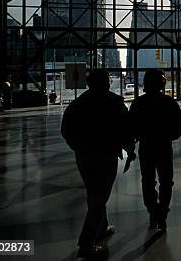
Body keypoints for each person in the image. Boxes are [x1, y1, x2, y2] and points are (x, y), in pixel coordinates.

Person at [61, 70, 135, 259]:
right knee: (99, 197)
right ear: (107, 83)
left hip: (84, 156)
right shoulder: (114, 103)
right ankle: (86, 243)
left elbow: (66, 130)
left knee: (93, 192)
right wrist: (129, 150)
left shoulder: (78, 104)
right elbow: (126, 129)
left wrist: (77, 147)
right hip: (106, 155)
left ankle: (101, 228)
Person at [129, 69, 181, 230]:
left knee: (147, 180)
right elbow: (177, 131)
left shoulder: (138, 103)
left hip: (146, 146)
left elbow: (131, 128)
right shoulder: (170, 103)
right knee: (166, 181)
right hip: (164, 146)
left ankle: (153, 211)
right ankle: (162, 212)